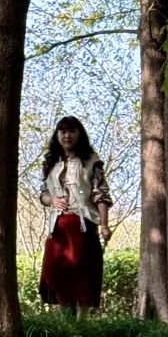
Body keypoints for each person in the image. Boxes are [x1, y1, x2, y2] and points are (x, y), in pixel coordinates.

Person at [39, 116, 112, 316]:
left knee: (83, 273)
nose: (67, 135)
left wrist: (104, 225)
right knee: (57, 273)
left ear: (79, 134)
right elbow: (43, 192)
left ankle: (82, 324)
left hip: (83, 224)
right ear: (57, 135)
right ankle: (65, 323)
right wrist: (51, 201)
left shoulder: (91, 160)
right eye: (62, 131)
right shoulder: (50, 161)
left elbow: (101, 193)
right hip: (58, 227)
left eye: (71, 131)